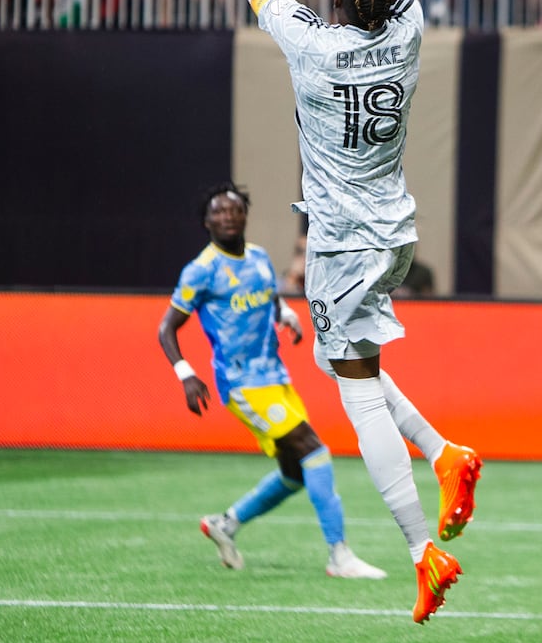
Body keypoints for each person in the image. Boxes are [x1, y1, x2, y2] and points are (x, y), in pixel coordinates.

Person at [226, 0, 480, 624]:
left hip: (339, 240)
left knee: (354, 392)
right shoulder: (406, 32)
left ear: (337, 4)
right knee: (353, 361)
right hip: (394, 226)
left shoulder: (311, 44)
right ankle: (447, 454)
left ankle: (420, 550)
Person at [157, 183, 386, 581]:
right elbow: (167, 328)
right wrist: (186, 373)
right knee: (315, 451)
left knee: (295, 473)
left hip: (275, 377)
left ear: (245, 214)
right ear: (206, 221)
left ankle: (225, 524)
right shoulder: (201, 270)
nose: (228, 216)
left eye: (235, 209)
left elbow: (268, 297)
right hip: (243, 383)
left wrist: (285, 315)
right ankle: (339, 555)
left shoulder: (260, 258)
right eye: (219, 212)